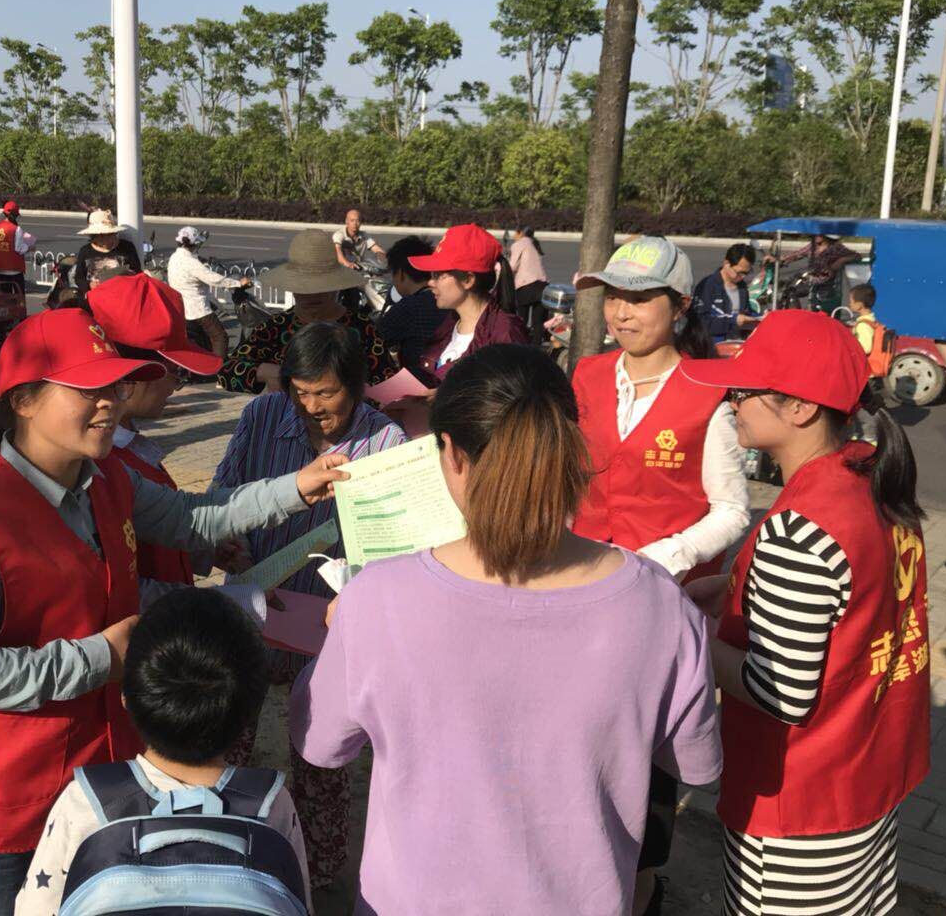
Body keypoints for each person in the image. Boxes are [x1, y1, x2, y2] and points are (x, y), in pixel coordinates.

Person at [0, 306, 349, 915]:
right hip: (2, 805)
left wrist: (297, 488)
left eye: (114, 387)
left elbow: (192, 518)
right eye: (87, 389)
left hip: (93, 784)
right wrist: (100, 658)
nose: (109, 404)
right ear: (24, 400)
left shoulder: (105, 479)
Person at [291, 344, 722, 915]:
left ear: (451, 454)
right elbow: (695, 763)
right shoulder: (658, 602)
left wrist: (340, 636)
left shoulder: (376, 598)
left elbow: (321, 742)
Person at [678, 310, 931, 916]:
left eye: (744, 391)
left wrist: (684, 636)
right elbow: (854, 602)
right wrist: (734, 587)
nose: (731, 403)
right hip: (869, 780)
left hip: (800, 812)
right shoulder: (869, 476)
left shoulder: (799, 529)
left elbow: (779, 691)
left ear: (800, 408)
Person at [569, 235, 748, 913]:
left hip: (659, 606)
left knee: (645, 759)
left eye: (640, 298)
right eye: (614, 296)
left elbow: (732, 510)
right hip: (579, 595)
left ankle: (641, 891)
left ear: (678, 306)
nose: (621, 311)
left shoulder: (710, 391)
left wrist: (662, 559)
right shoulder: (586, 376)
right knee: (580, 741)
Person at [214, 321, 406, 892]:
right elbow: (225, 492)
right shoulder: (262, 416)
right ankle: (222, 852)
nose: (313, 407)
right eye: (301, 392)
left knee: (322, 753)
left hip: (330, 626)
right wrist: (229, 541)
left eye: (327, 393)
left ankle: (317, 873)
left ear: (358, 385)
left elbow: (397, 544)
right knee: (226, 736)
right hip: (254, 606)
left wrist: (359, 590)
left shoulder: (387, 444)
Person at [16, 588, 310, 916]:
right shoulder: (270, 802)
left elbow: (36, 908)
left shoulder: (88, 801)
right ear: (250, 709)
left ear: (127, 696)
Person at [87, 272, 226, 584]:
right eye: (176, 373)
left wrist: (202, 551)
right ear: (136, 372)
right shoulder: (93, 467)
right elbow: (115, 589)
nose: (175, 388)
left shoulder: (126, 446)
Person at [219, 229, 397, 394]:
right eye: (303, 287)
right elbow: (227, 372)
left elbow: (389, 382)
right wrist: (267, 371)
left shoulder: (362, 328)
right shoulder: (277, 327)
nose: (312, 294)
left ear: (337, 285)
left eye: (321, 286)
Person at [410, 223, 527, 388]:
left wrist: (443, 396)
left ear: (468, 280)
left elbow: (514, 396)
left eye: (438, 275)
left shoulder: (504, 332)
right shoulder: (448, 324)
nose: (430, 282)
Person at [167, 225, 250, 359]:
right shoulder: (190, 262)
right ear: (195, 244)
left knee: (202, 340)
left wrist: (200, 260)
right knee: (220, 337)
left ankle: (203, 365)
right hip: (198, 309)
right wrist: (238, 283)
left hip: (182, 308)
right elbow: (213, 279)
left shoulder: (175, 257)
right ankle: (219, 367)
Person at [375, 235, 446, 378]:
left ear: (400, 273)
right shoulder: (447, 300)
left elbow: (375, 338)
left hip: (418, 383)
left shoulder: (408, 307)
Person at [694, 242, 761, 343]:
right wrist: (733, 321)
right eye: (739, 272)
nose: (743, 277)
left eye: (746, 273)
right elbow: (700, 323)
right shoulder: (707, 285)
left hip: (738, 345)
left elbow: (746, 313)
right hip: (712, 346)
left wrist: (759, 318)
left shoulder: (742, 288)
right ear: (726, 264)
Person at [74, 208, 142, 291]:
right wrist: (90, 285)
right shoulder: (85, 251)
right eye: (100, 236)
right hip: (96, 294)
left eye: (109, 235)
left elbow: (138, 272)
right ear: (93, 236)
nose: (105, 239)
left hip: (122, 293)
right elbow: (79, 278)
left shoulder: (127, 247)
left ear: (114, 233)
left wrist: (129, 275)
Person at [509, 226, 548, 344]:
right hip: (542, 286)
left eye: (514, 233)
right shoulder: (534, 244)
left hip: (526, 285)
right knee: (538, 322)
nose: (513, 236)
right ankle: (536, 348)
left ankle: (521, 346)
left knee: (521, 320)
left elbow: (512, 266)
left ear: (520, 233)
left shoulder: (519, 244)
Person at [0, 199, 34, 293]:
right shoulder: (17, 229)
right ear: (16, 215)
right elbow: (19, 249)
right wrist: (30, 247)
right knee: (19, 296)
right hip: (14, 269)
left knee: (6, 296)